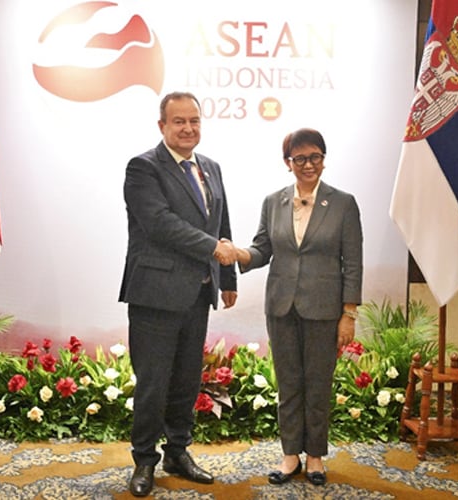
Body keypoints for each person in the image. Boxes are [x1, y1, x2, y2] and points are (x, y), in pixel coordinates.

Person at [119, 91, 238, 497]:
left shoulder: (211, 167)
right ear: (162, 126)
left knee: (187, 381)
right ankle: (144, 460)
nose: (188, 128)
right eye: (179, 121)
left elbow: (221, 223)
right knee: (153, 383)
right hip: (155, 294)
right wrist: (213, 249)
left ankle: (177, 453)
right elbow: (159, 223)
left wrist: (227, 278)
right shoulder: (143, 168)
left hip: (197, 293)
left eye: (194, 121)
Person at [235, 128, 363, 486]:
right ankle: (290, 454)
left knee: (318, 383)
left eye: (315, 157)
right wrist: (241, 254)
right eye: (300, 158)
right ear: (287, 162)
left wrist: (348, 314)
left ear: (323, 159)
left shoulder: (343, 203)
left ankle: (316, 456)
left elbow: (353, 262)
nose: (309, 165)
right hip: (281, 307)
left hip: (325, 309)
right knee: (289, 382)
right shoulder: (273, 202)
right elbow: (263, 249)